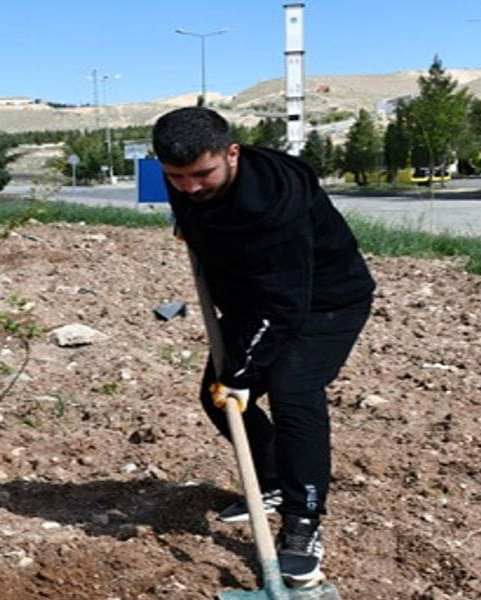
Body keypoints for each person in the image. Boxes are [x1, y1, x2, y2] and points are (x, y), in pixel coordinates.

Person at [152, 107, 375, 587]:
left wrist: (242, 371)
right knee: (216, 396)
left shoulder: (275, 207)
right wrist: (190, 219)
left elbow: (284, 306)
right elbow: (192, 198)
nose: (189, 187)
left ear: (232, 153)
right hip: (256, 302)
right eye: (177, 177)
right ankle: (272, 480)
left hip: (325, 302)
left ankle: (302, 522)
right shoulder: (188, 177)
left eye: (201, 175)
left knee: (293, 391)